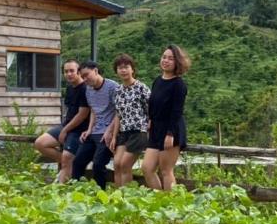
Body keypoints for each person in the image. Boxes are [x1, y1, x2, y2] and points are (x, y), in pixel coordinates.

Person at [142, 45, 190, 190]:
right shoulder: (158, 81)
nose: (166, 61)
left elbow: (176, 111)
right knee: (147, 168)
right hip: (156, 129)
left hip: (171, 130)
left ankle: (171, 205)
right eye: (164, 57)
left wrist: (170, 134)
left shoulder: (179, 85)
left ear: (177, 62)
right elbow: (153, 104)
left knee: (166, 171)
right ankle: (160, 200)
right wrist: (150, 120)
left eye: (171, 58)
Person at [33, 59, 89, 183]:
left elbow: (82, 115)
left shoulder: (85, 89)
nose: (69, 74)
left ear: (79, 72)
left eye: (72, 71)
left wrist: (65, 130)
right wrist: (64, 128)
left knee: (67, 158)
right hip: (66, 125)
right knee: (40, 143)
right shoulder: (70, 88)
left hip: (79, 129)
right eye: (66, 71)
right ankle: (70, 163)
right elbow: (69, 110)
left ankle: (64, 187)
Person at [71, 61, 120, 189]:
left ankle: (101, 193)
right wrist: (89, 129)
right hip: (94, 131)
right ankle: (76, 191)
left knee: (98, 164)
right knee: (77, 162)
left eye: (87, 75)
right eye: (83, 76)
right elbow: (93, 110)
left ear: (96, 71)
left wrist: (109, 131)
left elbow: (119, 111)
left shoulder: (113, 87)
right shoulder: (88, 89)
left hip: (108, 132)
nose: (85, 79)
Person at [108, 54, 150, 187]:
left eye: (126, 67)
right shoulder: (118, 90)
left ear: (133, 69)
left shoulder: (141, 88)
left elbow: (153, 108)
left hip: (138, 131)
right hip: (124, 132)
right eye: (120, 68)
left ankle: (127, 197)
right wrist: (114, 136)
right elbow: (118, 114)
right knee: (117, 164)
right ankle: (117, 197)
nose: (123, 70)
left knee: (125, 164)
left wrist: (150, 125)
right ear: (116, 71)